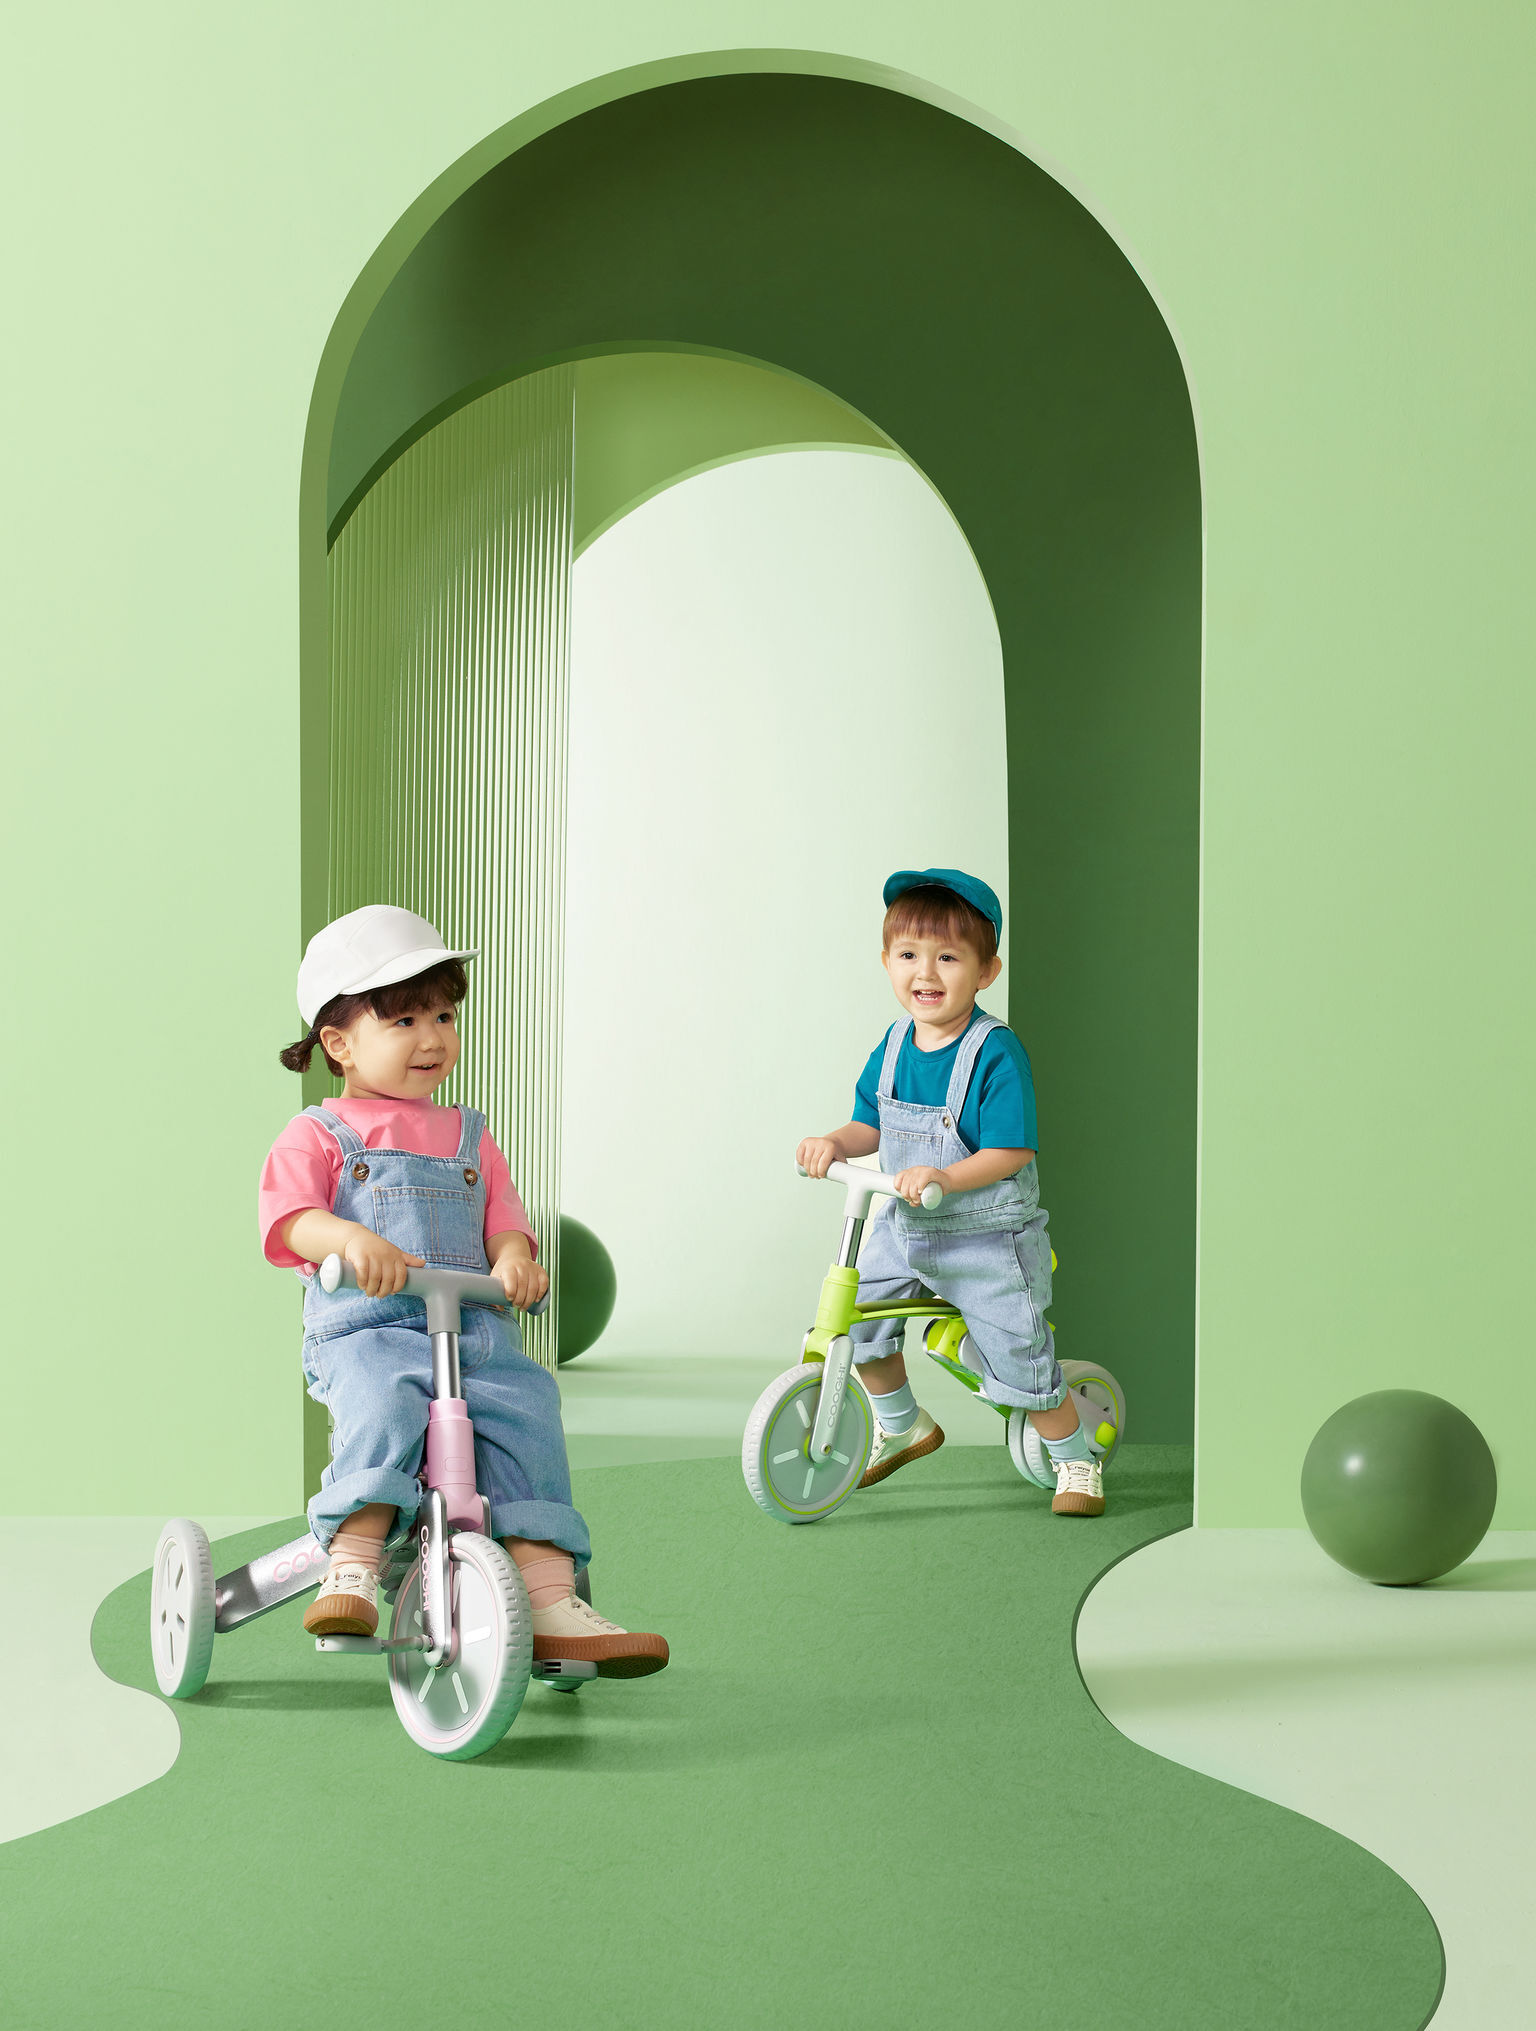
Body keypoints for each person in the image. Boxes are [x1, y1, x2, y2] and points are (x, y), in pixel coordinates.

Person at [259, 903, 669, 1672]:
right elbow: (291, 1220)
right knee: (383, 1405)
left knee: (528, 1411)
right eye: (405, 1019)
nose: (433, 1037)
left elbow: (504, 1219)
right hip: (373, 1330)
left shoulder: (471, 1136)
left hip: (475, 1333)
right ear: (339, 1042)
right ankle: (353, 1561)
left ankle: (548, 1594)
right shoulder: (318, 1133)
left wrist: (514, 1259)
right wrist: (350, 1240)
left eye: (443, 1015)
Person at [795, 869, 1104, 1517]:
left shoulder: (995, 1052)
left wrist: (944, 1177)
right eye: (909, 954)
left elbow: (1011, 1151)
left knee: (1019, 1357)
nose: (925, 972)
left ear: (986, 971)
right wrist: (834, 1142)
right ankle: (902, 1422)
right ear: (886, 961)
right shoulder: (892, 1045)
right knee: (858, 1320)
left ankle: (1077, 1456)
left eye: (948, 958)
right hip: (904, 1226)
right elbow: (868, 1122)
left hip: (987, 1238)